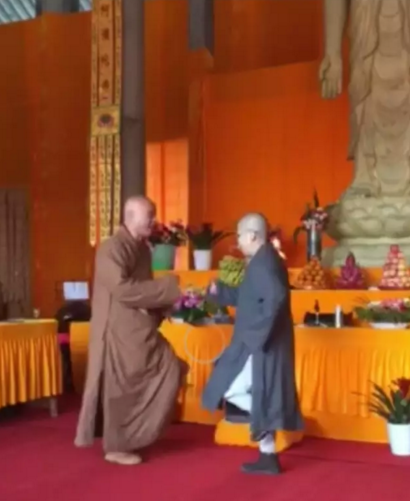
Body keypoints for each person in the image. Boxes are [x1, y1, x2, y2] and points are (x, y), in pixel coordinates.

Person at [75, 196, 185, 465]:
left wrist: (165, 308)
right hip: (118, 331)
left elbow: (143, 291)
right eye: (149, 215)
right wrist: (168, 289)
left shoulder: (143, 250)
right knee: (122, 389)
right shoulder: (111, 248)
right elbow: (122, 289)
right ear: (131, 217)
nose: (153, 220)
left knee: (171, 367)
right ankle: (116, 446)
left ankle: (140, 433)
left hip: (140, 328)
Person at [202, 213, 303, 475]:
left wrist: (258, 334)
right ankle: (267, 454)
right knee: (252, 392)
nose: (237, 242)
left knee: (231, 388)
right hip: (255, 340)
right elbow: (248, 297)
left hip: (259, 343)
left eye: (239, 235)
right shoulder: (261, 260)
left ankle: (264, 419)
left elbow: (275, 298)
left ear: (252, 235)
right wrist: (219, 292)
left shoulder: (265, 262)